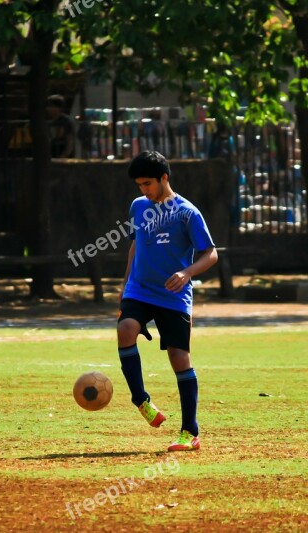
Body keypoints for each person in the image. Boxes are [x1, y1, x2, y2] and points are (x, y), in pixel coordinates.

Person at [117, 150, 218, 452]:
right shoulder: (138, 207)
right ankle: (141, 400)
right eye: (139, 185)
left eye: (148, 183)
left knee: (179, 359)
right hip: (140, 289)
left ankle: (190, 432)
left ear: (164, 178)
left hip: (173, 294)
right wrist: (125, 286)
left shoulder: (187, 213)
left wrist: (187, 273)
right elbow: (136, 246)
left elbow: (211, 254)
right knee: (125, 330)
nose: (143, 190)